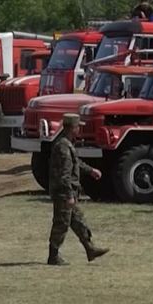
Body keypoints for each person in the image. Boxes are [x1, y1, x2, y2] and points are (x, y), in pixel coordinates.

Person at [47, 113, 110, 265]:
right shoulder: (62, 146)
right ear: (71, 128)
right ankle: (53, 256)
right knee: (61, 223)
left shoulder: (67, 144)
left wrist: (90, 170)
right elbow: (64, 175)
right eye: (77, 127)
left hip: (68, 192)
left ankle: (90, 249)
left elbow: (77, 163)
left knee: (78, 221)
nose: (79, 130)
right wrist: (69, 195)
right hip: (64, 193)